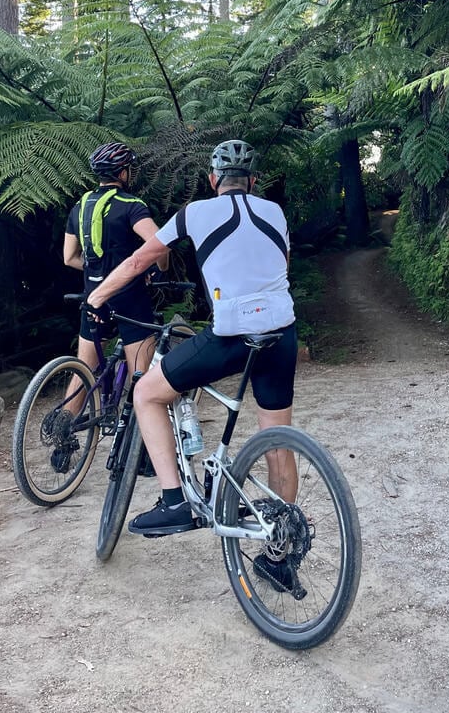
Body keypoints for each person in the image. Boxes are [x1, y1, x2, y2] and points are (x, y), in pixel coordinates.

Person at [83, 139, 299, 589]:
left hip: (231, 334)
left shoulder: (196, 212)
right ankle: (279, 556)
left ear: (212, 179)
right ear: (254, 181)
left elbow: (143, 258)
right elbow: (279, 263)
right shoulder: (275, 213)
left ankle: (173, 499)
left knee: (146, 392)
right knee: (277, 441)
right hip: (281, 332)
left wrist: (98, 296)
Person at [63, 142, 169, 449]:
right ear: (123, 172)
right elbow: (158, 244)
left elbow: (69, 257)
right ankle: (137, 449)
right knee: (142, 375)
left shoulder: (79, 207)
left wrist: (97, 273)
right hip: (128, 298)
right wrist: (159, 269)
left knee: (85, 369)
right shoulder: (131, 204)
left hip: (92, 296)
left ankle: (62, 435)